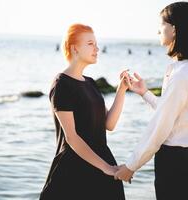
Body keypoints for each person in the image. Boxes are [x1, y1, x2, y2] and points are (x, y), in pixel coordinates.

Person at [115, 2, 188, 200]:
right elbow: (179, 117)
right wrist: (145, 93)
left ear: (174, 29)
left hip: (175, 159)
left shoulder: (183, 74)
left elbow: (161, 126)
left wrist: (131, 166)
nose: (158, 30)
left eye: (161, 24)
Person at [40, 24, 127, 200]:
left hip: (102, 163)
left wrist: (122, 90)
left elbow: (109, 124)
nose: (97, 48)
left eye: (96, 43)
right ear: (74, 48)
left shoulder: (91, 83)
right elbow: (71, 137)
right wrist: (106, 168)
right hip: (73, 171)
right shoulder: (62, 84)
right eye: (90, 43)